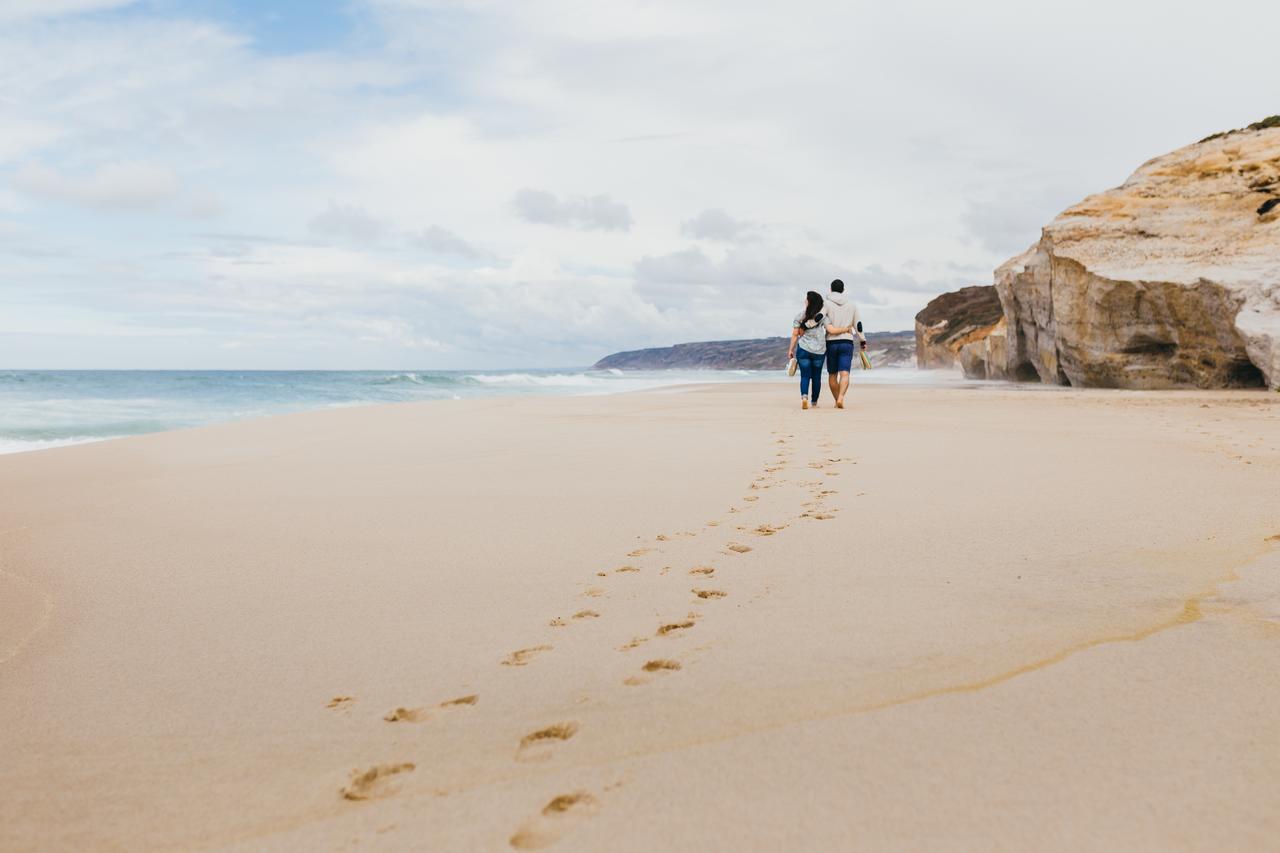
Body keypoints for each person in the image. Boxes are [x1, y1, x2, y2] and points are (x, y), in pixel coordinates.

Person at [821, 279, 866, 409]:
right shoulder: (852, 305)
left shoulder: (826, 303)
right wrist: (863, 340)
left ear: (830, 289)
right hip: (847, 342)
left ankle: (837, 400)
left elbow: (819, 317)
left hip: (831, 342)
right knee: (845, 373)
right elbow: (858, 324)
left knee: (832, 374)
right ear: (843, 290)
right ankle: (841, 397)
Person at [787, 291, 826, 409]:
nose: (805, 301)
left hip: (803, 349)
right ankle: (814, 403)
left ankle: (804, 397)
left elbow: (795, 335)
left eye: (806, 299)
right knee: (816, 377)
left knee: (804, 376)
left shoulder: (799, 316)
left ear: (809, 302)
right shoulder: (822, 317)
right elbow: (829, 329)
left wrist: (791, 350)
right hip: (819, 351)